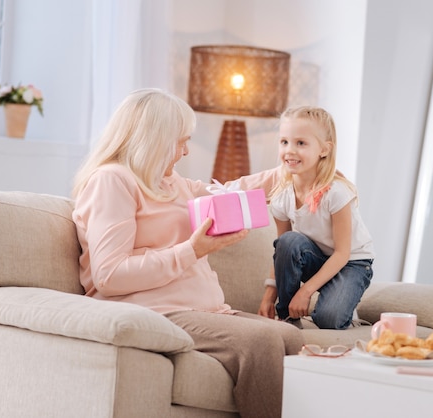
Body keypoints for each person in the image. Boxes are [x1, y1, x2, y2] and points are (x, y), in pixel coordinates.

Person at [71, 88, 303, 418]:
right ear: (153, 139)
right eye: (180, 140)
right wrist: (191, 250)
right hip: (151, 309)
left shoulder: (172, 182)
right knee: (263, 342)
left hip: (204, 309)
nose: (185, 150)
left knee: (291, 339)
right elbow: (109, 276)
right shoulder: (112, 181)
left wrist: (290, 171)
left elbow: (229, 193)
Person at [257, 105, 375, 330]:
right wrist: (268, 297)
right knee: (288, 241)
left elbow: (342, 253)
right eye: (284, 142)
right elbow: (282, 252)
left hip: (351, 262)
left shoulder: (336, 193)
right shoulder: (282, 197)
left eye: (300, 143)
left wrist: (306, 292)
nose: (290, 150)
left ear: (324, 149)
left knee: (328, 319)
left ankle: (342, 300)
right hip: (317, 258)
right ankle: (288, 319)